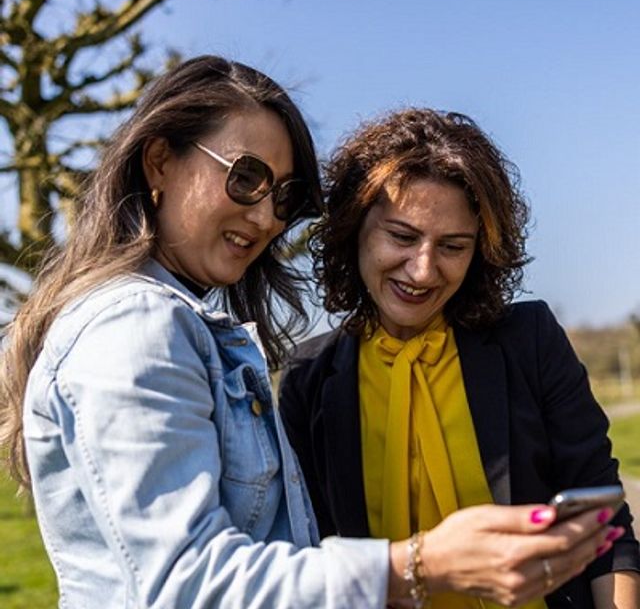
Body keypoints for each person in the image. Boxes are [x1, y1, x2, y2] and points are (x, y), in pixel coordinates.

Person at [0, 60, 622, 609]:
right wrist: (420, 566)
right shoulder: (145, 327)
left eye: (283, 195)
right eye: (244, 177)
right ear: (160, 161)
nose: (266, 215)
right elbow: (184, 583)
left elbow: (604, 515)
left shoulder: (527, 338)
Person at [279, 107, 640, 608]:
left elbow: (605, 523)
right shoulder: (306, 380)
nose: (423, 271)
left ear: (480, 252)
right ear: (353, 229)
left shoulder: (530, 340)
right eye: (402, 237)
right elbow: (314, 559)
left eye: (452, 245)